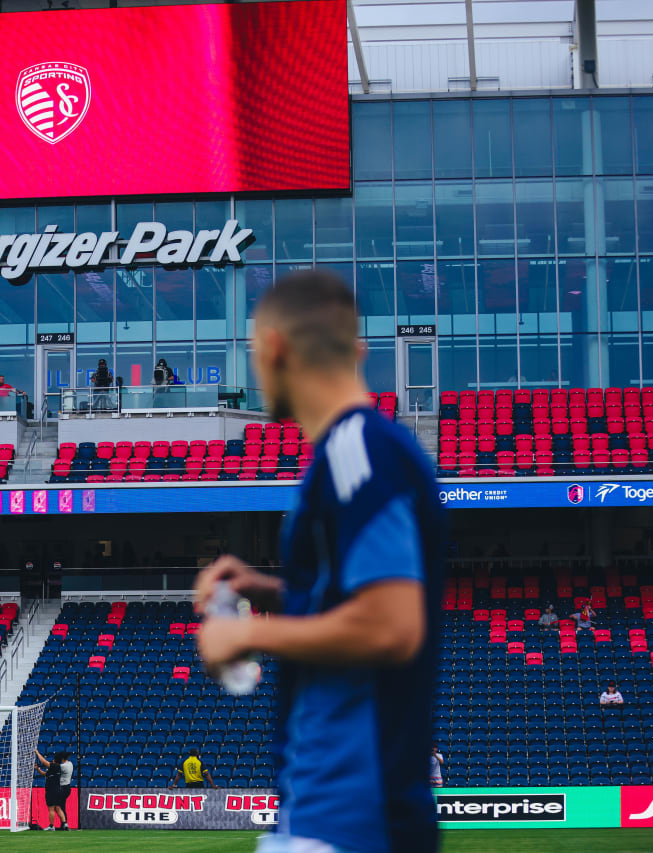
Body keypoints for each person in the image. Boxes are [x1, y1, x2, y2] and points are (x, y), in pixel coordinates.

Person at [194, 269, 446, 853]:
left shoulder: (359, 451)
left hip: (353, 818)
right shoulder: (352, 453)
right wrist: (270, 590)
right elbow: (356, 601)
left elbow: (390, 626)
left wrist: (248, 638)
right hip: (330, 814)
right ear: (355, 350)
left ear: (275, 347)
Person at [36, 749, 73, 830]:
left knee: (51, 808)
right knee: (58, 807)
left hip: (52, 790)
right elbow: (44, 774)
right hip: (59, 789)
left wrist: (37, 753)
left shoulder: (56, 766)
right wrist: (38, 769)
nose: (52, 761)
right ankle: (64, 824)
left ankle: (51, 826)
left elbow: (44, 762)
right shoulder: (62, 766)